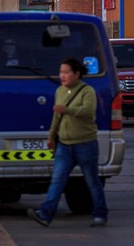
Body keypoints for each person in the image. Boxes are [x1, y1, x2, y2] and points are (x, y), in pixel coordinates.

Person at [27, 57, 108, 227]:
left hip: (85, 143)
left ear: (77, 74)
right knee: (57, 180)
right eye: (61, 72)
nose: (62, 76)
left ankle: (100, 214)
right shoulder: (60, 91)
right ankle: (45, 214)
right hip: (64, 145)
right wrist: (51, 137)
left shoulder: (87, 91)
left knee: (92, 181)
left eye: (66, 72)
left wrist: (67, 109)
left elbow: (88, 112)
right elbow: (56, 117)